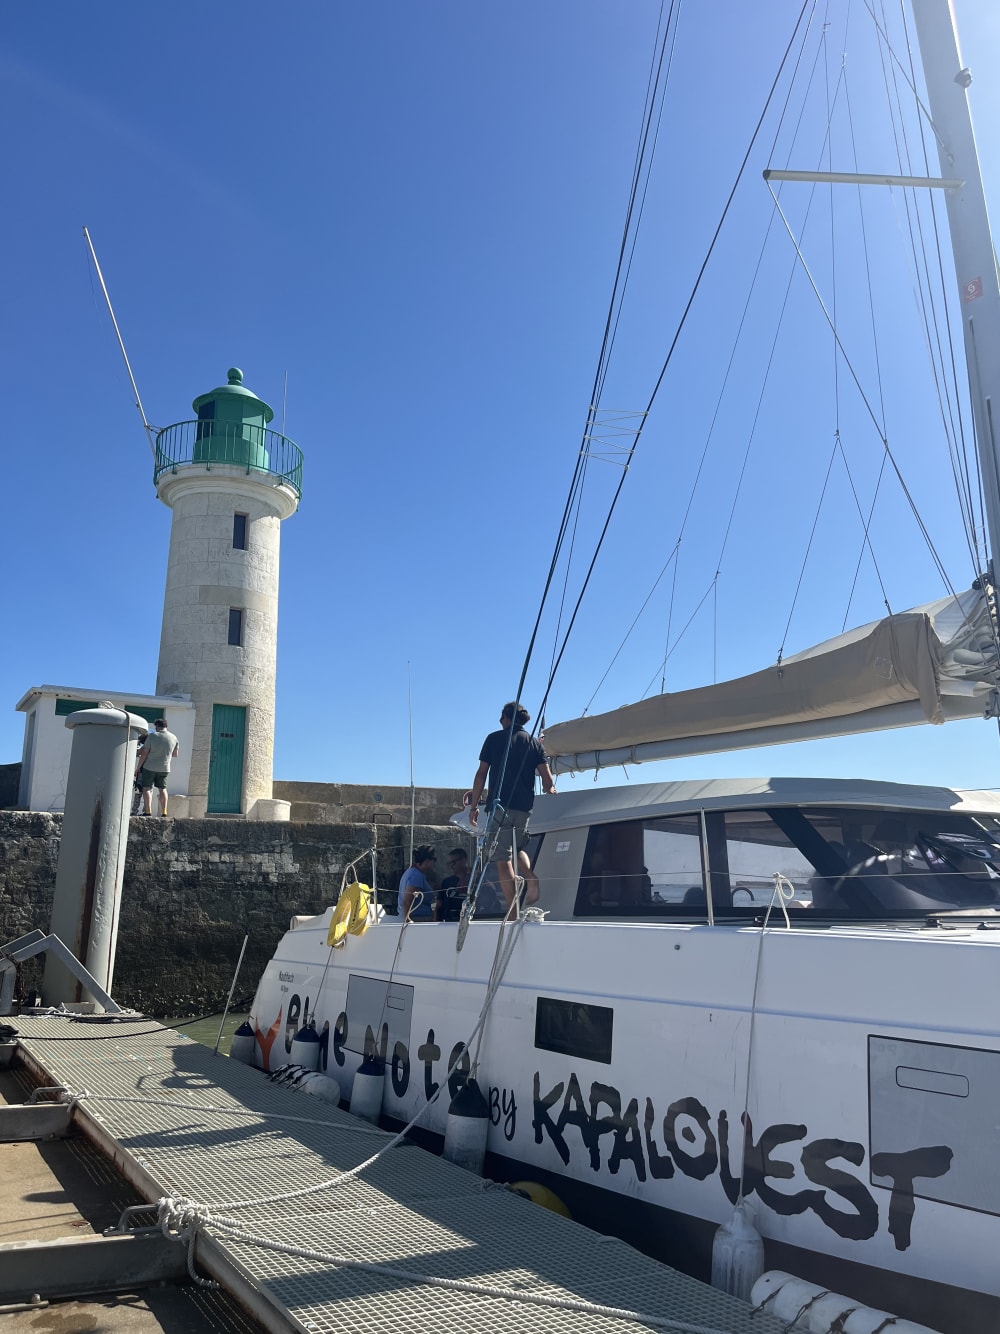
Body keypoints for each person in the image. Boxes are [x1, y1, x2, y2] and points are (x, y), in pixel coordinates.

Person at [468, 701, 555, 909]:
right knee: (517, 847)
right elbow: (547, 779)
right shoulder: (535, 743)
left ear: (507, 718)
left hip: (501, 807)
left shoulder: (494, 739)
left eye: (501, 718)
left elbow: (481, 775)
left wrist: (473, 807)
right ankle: (530, 877)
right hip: (524, 808)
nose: (500, 722)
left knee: (501, 858)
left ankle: (513, 911)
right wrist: (548, 789)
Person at [136, 719, 179, 816]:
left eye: (155, 727)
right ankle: (164, 811)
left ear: (157, 726)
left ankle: (148, 811)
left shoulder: (152, 736)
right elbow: (175, 754)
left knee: (146, 788)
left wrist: (138, 768)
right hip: (164, 768)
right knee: (162, 789)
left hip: (149, 767)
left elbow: (144, 753)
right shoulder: (174, 737)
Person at [399, 845, 437, 920]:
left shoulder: (412, 872)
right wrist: (407, 923)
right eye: (434, 859)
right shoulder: (416, 875)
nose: (435, 863)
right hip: (417, 919)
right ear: (427, 861)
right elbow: (407, 902)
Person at [435, 847, 472, 922]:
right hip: (448, 922)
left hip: (470, 921)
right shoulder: (446, 882)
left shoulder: (475, 880)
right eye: (449, 863)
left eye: (454, 862)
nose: (451, 866)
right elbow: (439, 906)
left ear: (463, 860)